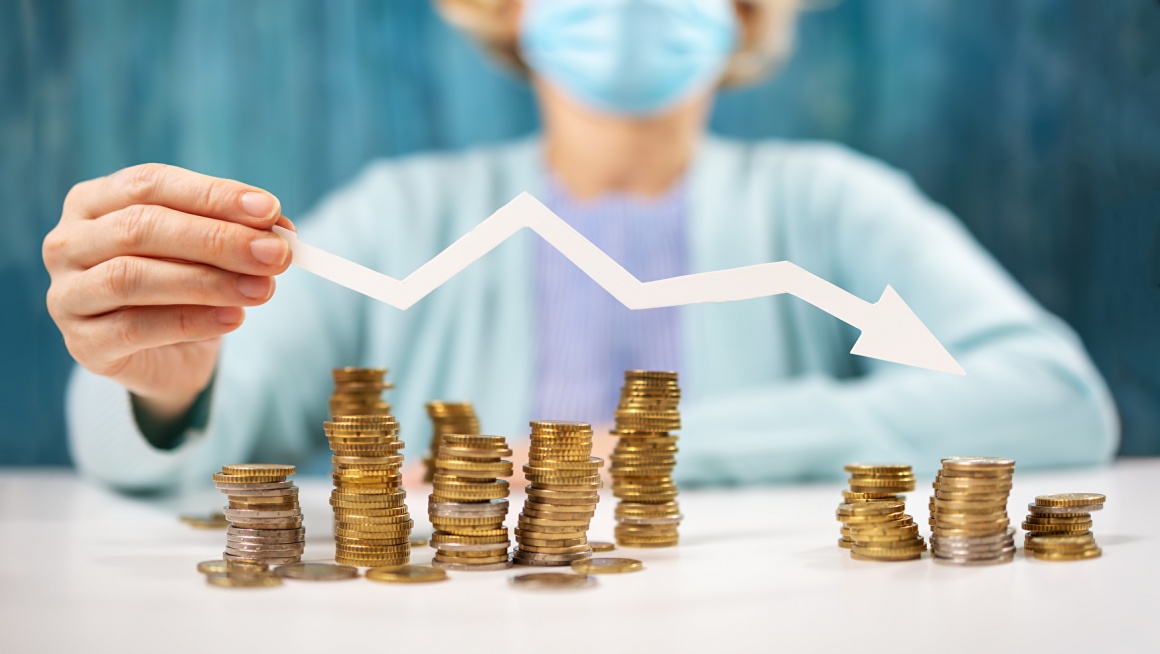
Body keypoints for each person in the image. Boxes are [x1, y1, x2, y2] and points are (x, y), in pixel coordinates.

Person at [44, 0, 1117, 493]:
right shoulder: (397, 214)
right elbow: (152, 448)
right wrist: (160, 379)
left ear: (746, 15)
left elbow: (1056, 400)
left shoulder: (831, 203)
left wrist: (642, 456)